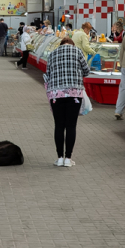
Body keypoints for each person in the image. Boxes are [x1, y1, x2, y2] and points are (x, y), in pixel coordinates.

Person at [44, 37, 89, 167]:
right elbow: (86, 71)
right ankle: (68, 159)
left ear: (61, 44)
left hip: (56, 94)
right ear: (72, 44)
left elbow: (48, 74)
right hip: (74, 94)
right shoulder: (78, 51)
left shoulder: (52, 53)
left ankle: (59, 158)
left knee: (59, 125)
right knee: (71, 125)